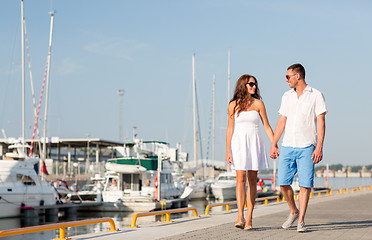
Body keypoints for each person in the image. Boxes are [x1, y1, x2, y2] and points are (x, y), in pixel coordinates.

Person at [270, 63, 327, 232]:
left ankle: (301, 220)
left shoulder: (316, 95)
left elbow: (322, 123)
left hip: (307, 146)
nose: (285, 79)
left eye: (288, 76)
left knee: (305, 185)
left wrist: (319, 147)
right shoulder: (286, 96)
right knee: (283, 183)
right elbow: (282, 122)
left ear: (298, 76)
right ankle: (293, 211)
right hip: (287, 145)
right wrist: (274, 143)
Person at [226, 74, 274, 230]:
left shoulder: (259, 104)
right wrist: (228, 150)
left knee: (252, 179)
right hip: (239, 142)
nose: (254, 86)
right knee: (240, 178)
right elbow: (230, 128)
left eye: (255, 84)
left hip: (254, 142)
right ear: (243, 86)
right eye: (250, 84)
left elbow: (266, 126)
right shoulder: (233, 105)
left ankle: (249, 218)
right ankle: (239, 216)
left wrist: (274, 143)